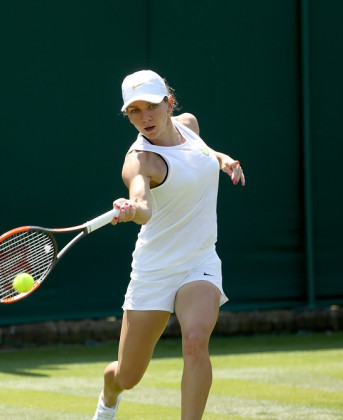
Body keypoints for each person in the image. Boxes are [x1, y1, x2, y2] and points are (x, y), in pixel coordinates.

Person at [92, 70, 245, 419]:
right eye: (134, 111)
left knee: (194, 341)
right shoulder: (139, 161)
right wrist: (130, 209)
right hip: (155, 270)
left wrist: (221, 159)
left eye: (151, 107)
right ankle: (108, 393)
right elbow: (143, 208)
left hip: (199, 260)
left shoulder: (188, 124)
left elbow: (199, 152)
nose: (144, 118)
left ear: (169, 103)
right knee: (127, 376)